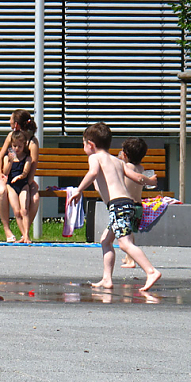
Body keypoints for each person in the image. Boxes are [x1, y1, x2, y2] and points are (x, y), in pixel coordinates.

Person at [68, 122, 161, 292]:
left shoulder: (94, 157)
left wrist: (78, 190)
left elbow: (93, 173)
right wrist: (151, 181)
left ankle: (151, 271)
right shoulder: (117, 162)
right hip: (127, 204)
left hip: (118, 206)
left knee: (124, 243)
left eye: (83, 144)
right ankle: (107, 278)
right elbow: (136, 177)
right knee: (105, 240)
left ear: (91, 144)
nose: (84, 148)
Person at [0, 109, 40, 242]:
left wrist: (29, 182)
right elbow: (0, 157)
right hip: (8, 174)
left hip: (24, 178)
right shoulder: (11, 137)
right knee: (2, 191)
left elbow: (33, 165)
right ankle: (8, 229)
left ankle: (24, 232)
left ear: (17, 124)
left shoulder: (32, 142)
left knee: (35, 198)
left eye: (11, 119)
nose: (9, 122)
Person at [117, 137, 156, 268]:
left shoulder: (126, 167)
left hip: (127, 205)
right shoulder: (140, 167)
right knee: (130, 233)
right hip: (138, 206)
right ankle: (128, 257)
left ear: (125, 155)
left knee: (126, 236)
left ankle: (132, 260)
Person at [2, 132, 34, 243]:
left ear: (24, 145)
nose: (17, 149)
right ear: (11, 145)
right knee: (16, 211)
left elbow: (26, 172)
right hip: (11, 186)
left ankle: (26, 236)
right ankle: (23, 236)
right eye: (14, 146)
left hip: (23, 185)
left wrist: (20, 177)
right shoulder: (7, 157)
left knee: (24, 210)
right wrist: (10, 161)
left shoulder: (27, 158)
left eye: (20, 146)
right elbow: (5, 172)